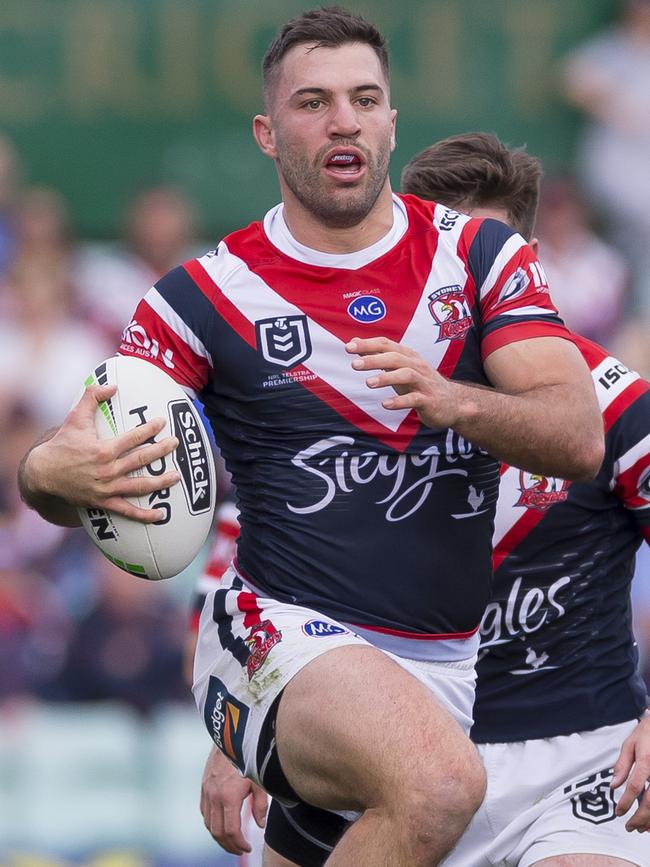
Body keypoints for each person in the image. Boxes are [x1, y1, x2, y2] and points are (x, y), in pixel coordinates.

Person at [18, 9, 604, 866]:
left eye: (365, 99)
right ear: (267, 132)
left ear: (391, 122)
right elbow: (84, 461)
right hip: (269, 634)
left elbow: (577, 433)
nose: (344, 121)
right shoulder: (202, 297)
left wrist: (454, 401)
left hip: (445, 661)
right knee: (438, 783)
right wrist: (48, 475)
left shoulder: (480, 257)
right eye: (315, 102)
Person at [212, 132, 648, 866]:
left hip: (573, 766)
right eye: (449, 258)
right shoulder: (343, 392)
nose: (471, 278)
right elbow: (259, 563)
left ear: (530, 263)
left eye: (495, 255)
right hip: (387, 751)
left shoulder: (616, 407)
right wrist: (243, 727)